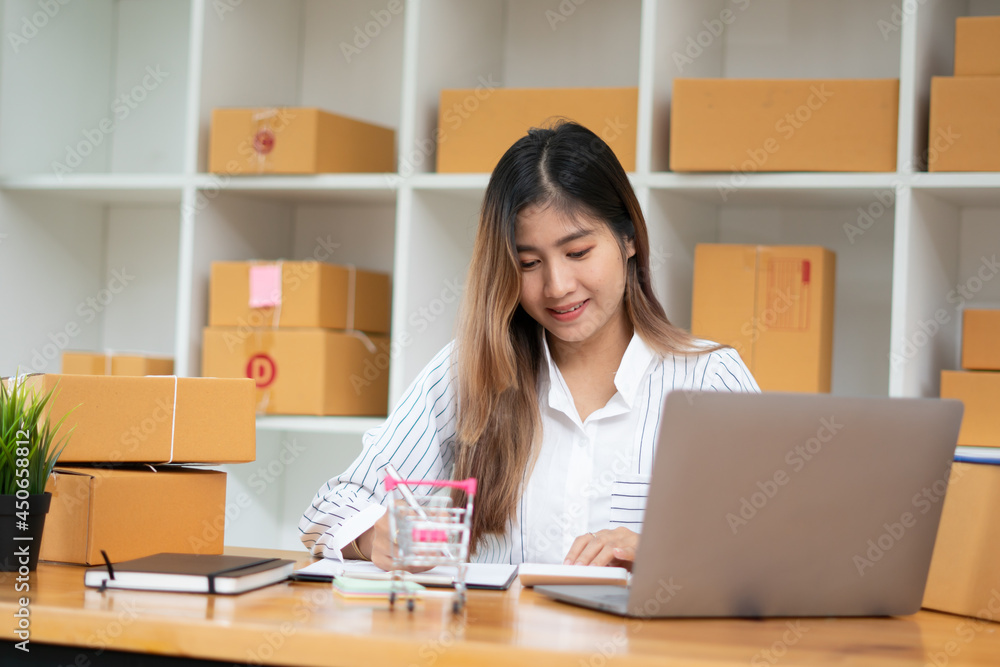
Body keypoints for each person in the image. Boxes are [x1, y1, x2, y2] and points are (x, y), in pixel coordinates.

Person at [299, 121, 759, 571]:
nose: (557, 286)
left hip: (641, 647)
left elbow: (777, 548)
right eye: (528, 263)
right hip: (497, 645)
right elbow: (332, 506)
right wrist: (376, 533)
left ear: (629, 239)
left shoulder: (709, 378)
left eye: (578, 253)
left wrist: (665, 555)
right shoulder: (472, 371)